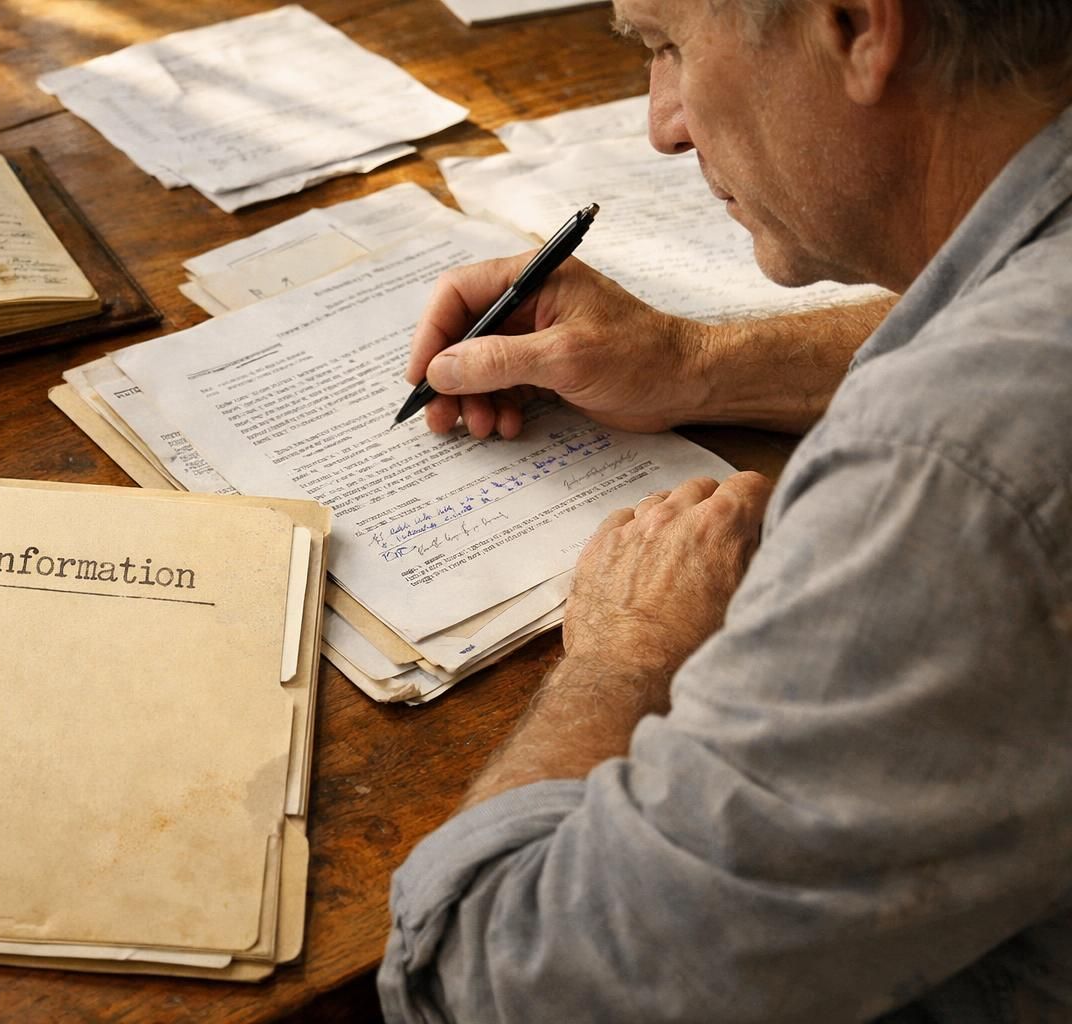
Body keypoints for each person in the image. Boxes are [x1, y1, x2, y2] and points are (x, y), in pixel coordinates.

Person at [378, 0, 1072, 1019]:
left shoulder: (952, 479)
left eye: (667, 45)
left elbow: (499, 984)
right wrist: (697, 362)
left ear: (856, 25)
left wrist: (627, 660)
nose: (661, 126)